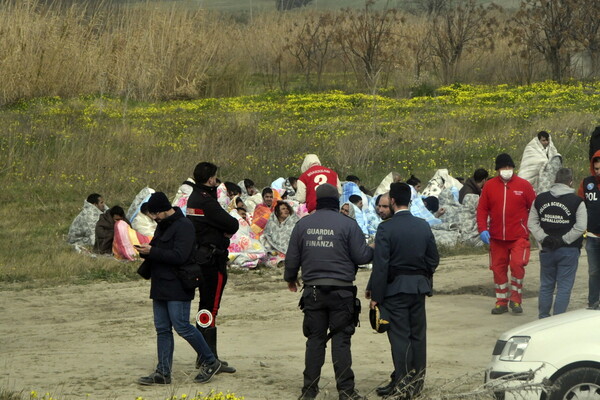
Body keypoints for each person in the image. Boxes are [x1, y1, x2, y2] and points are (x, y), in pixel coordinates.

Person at [284, 183, 374, 400]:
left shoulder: (303, 225)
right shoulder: (348, 224)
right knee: (341, 341)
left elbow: (292, 258)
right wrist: (375, 248)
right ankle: (346, 392)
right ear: (336, 200)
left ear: (316, 200)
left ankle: (309, 392)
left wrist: (290, 279)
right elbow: (362, 257)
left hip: (313, 292)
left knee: (315, 340)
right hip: (342, 292)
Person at [136, 192, 221, 385]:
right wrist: (146, 252)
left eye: (155, 214)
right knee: (162, 329)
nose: (154, 218)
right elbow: (159, 251)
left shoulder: (184, 226)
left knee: (182, 326)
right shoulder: (162, 226)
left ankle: (210, 360)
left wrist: (153, 251)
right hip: (160, 283)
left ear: (164, 210)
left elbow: (180, 256)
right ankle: (163, 373)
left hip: (178, 284)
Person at [367, 182, 439, 399]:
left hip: (395, 290)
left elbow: (381, 266)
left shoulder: (386, 228)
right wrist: (421, 276)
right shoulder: (423, 225)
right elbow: (433, 259)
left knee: (400, 339)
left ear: (393, 202)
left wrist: (375, 296)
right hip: (417, 289)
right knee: (418, 336)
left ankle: (403, 383)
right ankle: (416, 384)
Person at [187, 162, 239, 373]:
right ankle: (209, 358)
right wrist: (223, 231)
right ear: (210, 179)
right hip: (212, 259)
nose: (217, 181)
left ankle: (205, 356)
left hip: (201, 258)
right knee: (210, 309)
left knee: (205, 306)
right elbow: (232, 224)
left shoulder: (194, 197)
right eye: (216, 178)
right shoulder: (207, 202)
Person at [477, 153, 536, 314]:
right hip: (496, 238)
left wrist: (529, 228)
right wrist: (482, 229)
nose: (506, 170)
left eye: (509, 167)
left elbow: (534, 208)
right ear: (497, 170)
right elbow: (482, 209)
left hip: (518, 237)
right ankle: (501, 302)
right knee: (498, 269)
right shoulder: (489, 186)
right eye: (503, 168)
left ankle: (515, 300)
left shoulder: (524, 185)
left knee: (517, 266)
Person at [528, 168, 586, 318]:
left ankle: (543, 318)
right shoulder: (577, 201)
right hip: (569, 250)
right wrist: (563, 240)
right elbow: (580, 227)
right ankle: (557, 321)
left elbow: (532, 223)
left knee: (546, 286)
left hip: (546, 249)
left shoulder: (540, 199)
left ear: (555, 181)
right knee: (564, 288)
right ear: (571, 182)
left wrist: (544, 238)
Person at [579, 150, 600, 307]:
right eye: (596, 168)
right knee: (593, 272)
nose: (598, 171)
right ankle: (593, 303)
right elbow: (579, 206)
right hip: (592, 236)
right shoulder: (587, 183)